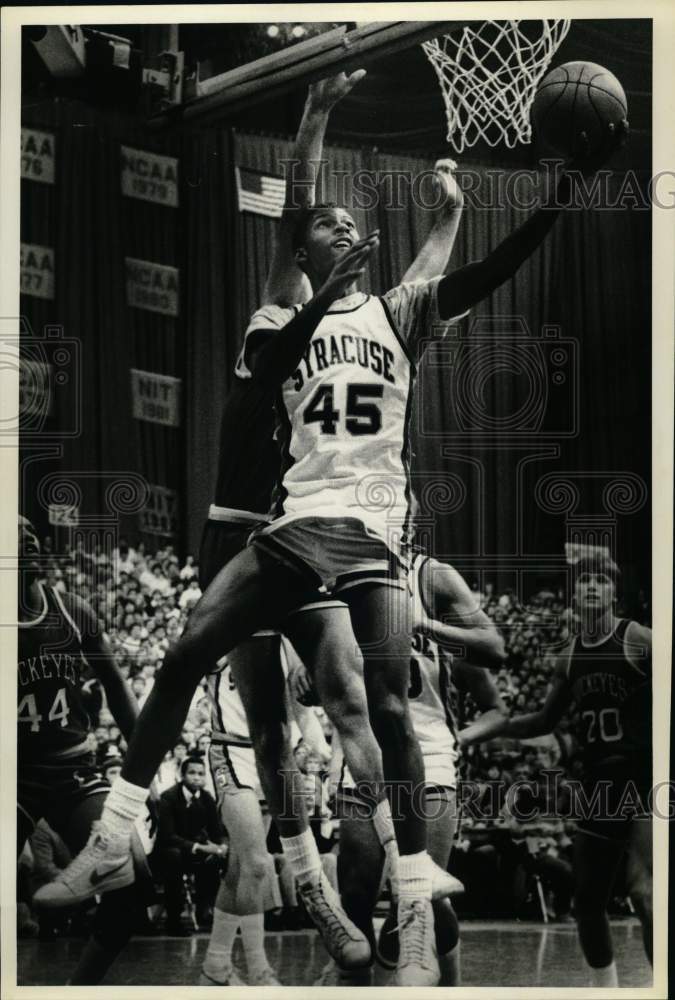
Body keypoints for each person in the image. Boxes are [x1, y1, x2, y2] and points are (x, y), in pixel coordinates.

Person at [40, 96, 625, 988]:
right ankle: (114, 834)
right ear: (304, 254)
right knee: (188, 649)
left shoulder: (401, 314)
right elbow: (278, 340)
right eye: (326, 227)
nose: (344, 227)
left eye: (352, 224)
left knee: (382, 705)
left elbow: (493, 268)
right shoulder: (279, 318)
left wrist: (555, 191)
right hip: (289, 526)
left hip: (369, 536)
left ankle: (412, 875)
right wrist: (315, 149)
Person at [309, 552, 507, 986]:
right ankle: (349, 979)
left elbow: (495, 649)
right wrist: (310, 674)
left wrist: (421, 623)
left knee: (422, 898)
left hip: (429, 754)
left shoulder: (430, 577)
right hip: (363, 753)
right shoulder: (338, 574)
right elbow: (315, 680)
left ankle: (448, 983)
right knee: (356, 893)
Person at [492, 552, 652, 986]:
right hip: (599, 781)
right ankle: (608, 990)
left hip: (644, 777)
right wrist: (492, 728)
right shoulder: (569, 655)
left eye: (601, 580)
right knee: (586, 900)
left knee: (644, 891)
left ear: (614, 592)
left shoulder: (639, 639)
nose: (593, 586)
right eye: (585, 581)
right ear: (573, 595)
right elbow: (544, 721)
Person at [17, 516, 144, 985]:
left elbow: (119, 691)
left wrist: (141, 770)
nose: (26, 533)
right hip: (14, 773)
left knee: (132, 885)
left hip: (74, 769)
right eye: (11, 532)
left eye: (28, 529)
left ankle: (79, 989)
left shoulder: (71, 610)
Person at [200, 636, 330, 986]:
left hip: (274, 757)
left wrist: (322, 755)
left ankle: (215, 963)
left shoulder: (289, 639)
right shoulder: (226, 624)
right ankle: (259, 969)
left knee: (240, 866)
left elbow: (304, 712)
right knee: (258, 864)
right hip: (231, 751)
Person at [152, 755, 225, 935]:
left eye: (201, 773)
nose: (197, 777)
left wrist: (221, 846)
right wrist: (200, 847)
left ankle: (207, 910)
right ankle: (173, 920)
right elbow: (167, 836)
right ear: (182, 775)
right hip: (170, 851)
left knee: (219, 859)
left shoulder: (207, 798)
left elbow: (217, 832)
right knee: (173, 857)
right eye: (192, 773)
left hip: (197, 850)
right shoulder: (168, 798)